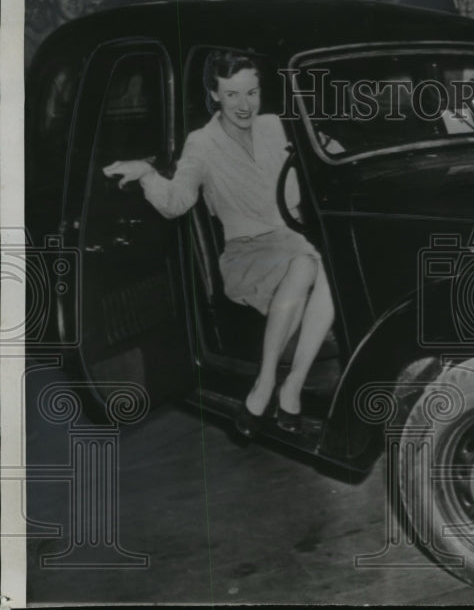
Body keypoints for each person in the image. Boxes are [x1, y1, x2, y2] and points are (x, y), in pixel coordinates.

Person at [102, 51, 335, 436]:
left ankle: (292, 384)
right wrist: (147, 174)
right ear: (214, 94)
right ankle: (265, 384)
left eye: (252, 92)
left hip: (297, 240)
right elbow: (176, 203)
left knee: (323, 263)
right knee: (310, 263)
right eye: (232, 95)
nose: (245, 105)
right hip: (248, 253)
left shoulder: (276, 126)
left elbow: (324, 152)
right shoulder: (202, 143)